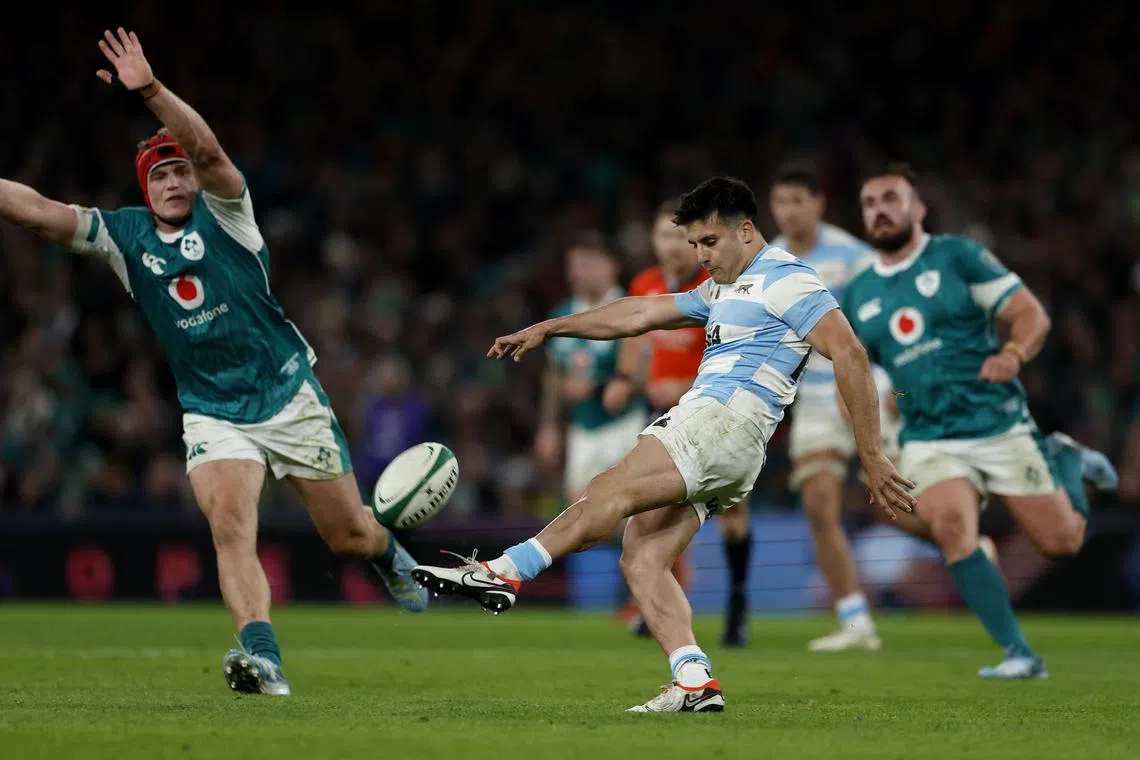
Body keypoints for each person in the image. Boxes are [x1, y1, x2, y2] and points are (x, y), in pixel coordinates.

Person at [0, 29, 429, 696]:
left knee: (349, 535)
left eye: (179, 171)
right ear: (146, 189)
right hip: (212, 411)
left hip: (289, 395)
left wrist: (148, 89)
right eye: (160, 174)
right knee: (231, 527)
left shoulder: (228, 213)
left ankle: (390, 556)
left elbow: (206, 147)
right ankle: (266, 661)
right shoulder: (124, 236)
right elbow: (41, 214)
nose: (174, 179)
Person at [413, 177, 915, 713]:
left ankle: (502, 573)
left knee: (609, 489)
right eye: (695, 244)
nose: (700, 256)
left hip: (719, 420)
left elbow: (851, 354)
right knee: (643, 557)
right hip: (738, 447)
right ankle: (693, 678)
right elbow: (639, 314)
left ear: (746, 231)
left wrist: (872, 453)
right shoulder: (721, 288)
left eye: (709, 243)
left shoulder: (786, 278)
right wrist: (552, 327)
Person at [843, 162, 1119, 679]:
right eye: (870, 203)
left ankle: (1063, 458)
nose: (879, 211)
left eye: (890, 199)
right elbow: (862, 378)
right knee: (950, 524)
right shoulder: (859, 296)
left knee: (1063, 541)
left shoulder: (958, 256)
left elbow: (1029, 313)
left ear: (917, 209)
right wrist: (887, 417)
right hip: (931, 436)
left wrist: (1013, 354)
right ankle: (1020, 654)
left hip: (997, 423)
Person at [603, 198, 752, 647]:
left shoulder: (719, 287)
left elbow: (735, 357)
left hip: (717, 411)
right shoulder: (646, 284)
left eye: (678, 237)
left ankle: (737, 604)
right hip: (663, 416)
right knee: (652, 510)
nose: (670, 246)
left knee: (732, 514)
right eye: (662, 235)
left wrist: (684, 382)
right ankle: (658, 603)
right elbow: (634, 345)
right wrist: (625, 381)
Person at [768, 161, 900, 651]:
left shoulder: (855, 257)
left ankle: (964, 540)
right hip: (813, 400)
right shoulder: (769, 259)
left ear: (818, 203)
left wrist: (875, 390)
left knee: (899, 505)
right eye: (781, 202)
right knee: (819, 506)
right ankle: (855, 620)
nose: (789, 211)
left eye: (798, 200)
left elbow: (879, 332)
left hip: (862, 391)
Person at [536, 232, 647, 506]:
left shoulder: (631, 309)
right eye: (571, 266)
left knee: (624, 509)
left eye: (584, 264)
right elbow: (553, 373)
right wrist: (548, 425)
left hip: (625, 425)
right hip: (582, 428)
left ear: (609, 265)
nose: (575, 274)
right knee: (579, 509)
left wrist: (600, 387)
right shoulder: (562, 315)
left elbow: (646, 375)